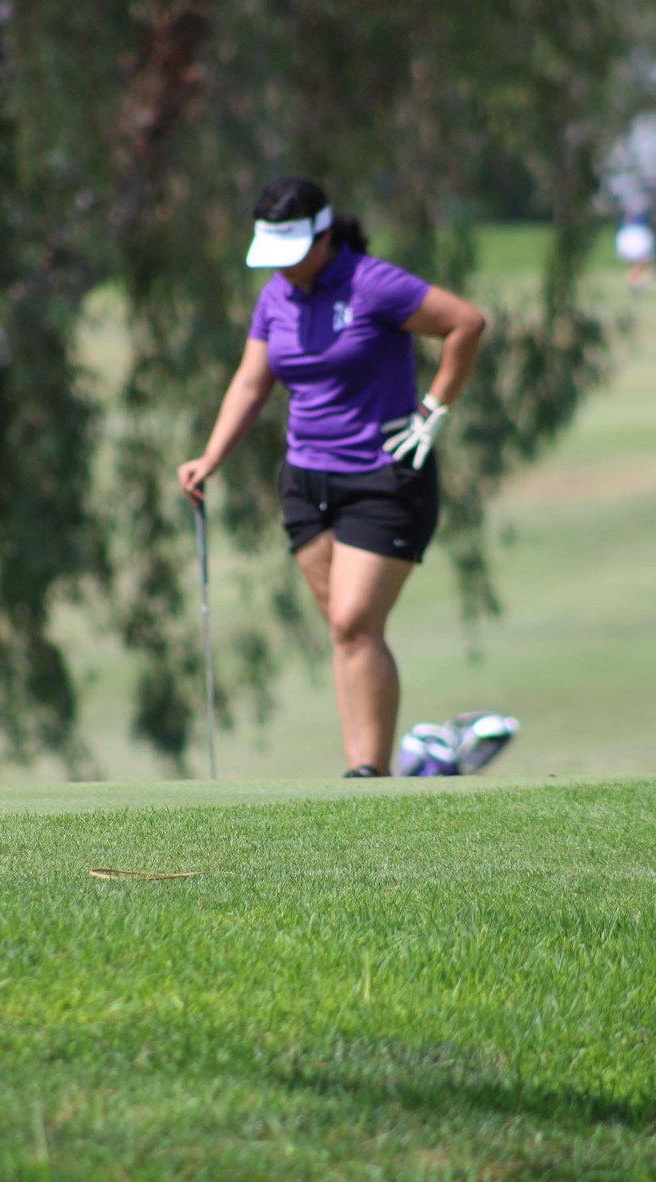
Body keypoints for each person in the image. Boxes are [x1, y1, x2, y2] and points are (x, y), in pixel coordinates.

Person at [178, 177, 486, 778]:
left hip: (384, 477)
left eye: (292, 256)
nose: (283, 270)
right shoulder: (275, 297)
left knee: (353, 621)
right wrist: (212, 455)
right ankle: (364, 773)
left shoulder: (374, 284)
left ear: (323, 238)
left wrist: (433, 409)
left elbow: (466, 323)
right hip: (306, 484)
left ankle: (368, 776)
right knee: (346, 633)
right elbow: (251, 381)